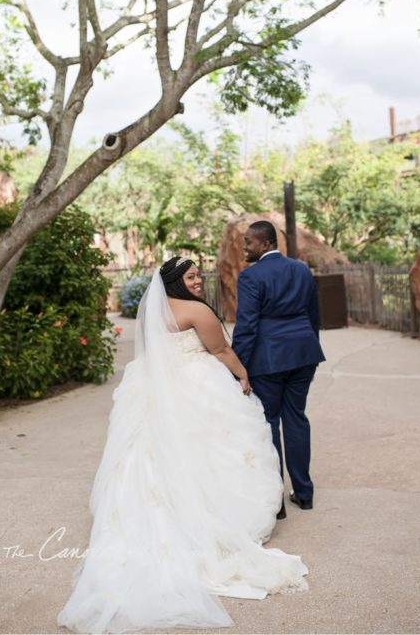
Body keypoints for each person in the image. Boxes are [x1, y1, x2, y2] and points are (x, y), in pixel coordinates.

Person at [58, 257, 307, 634]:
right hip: (196, 385)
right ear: (174, 281)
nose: (198, 281)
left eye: (197, 276)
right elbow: (221, 352)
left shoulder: (154, 313)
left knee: (154, 453)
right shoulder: (196, 311)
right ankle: (209, 519)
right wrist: (243, 378)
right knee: (210, 451)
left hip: (157, 388)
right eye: (191, 277)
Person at [232, 220, 325, 517]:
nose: (244, 247)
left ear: (266, 244)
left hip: (268, 360)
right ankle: (304, 492)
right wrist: (310, 351)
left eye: (249, 242)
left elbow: (247, 326)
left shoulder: (250, 277)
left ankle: (277, 503)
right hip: (303, 353)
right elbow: (314, 316)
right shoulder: (301, 269)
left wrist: (237, 365)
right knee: (296, 418)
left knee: (270, 421)